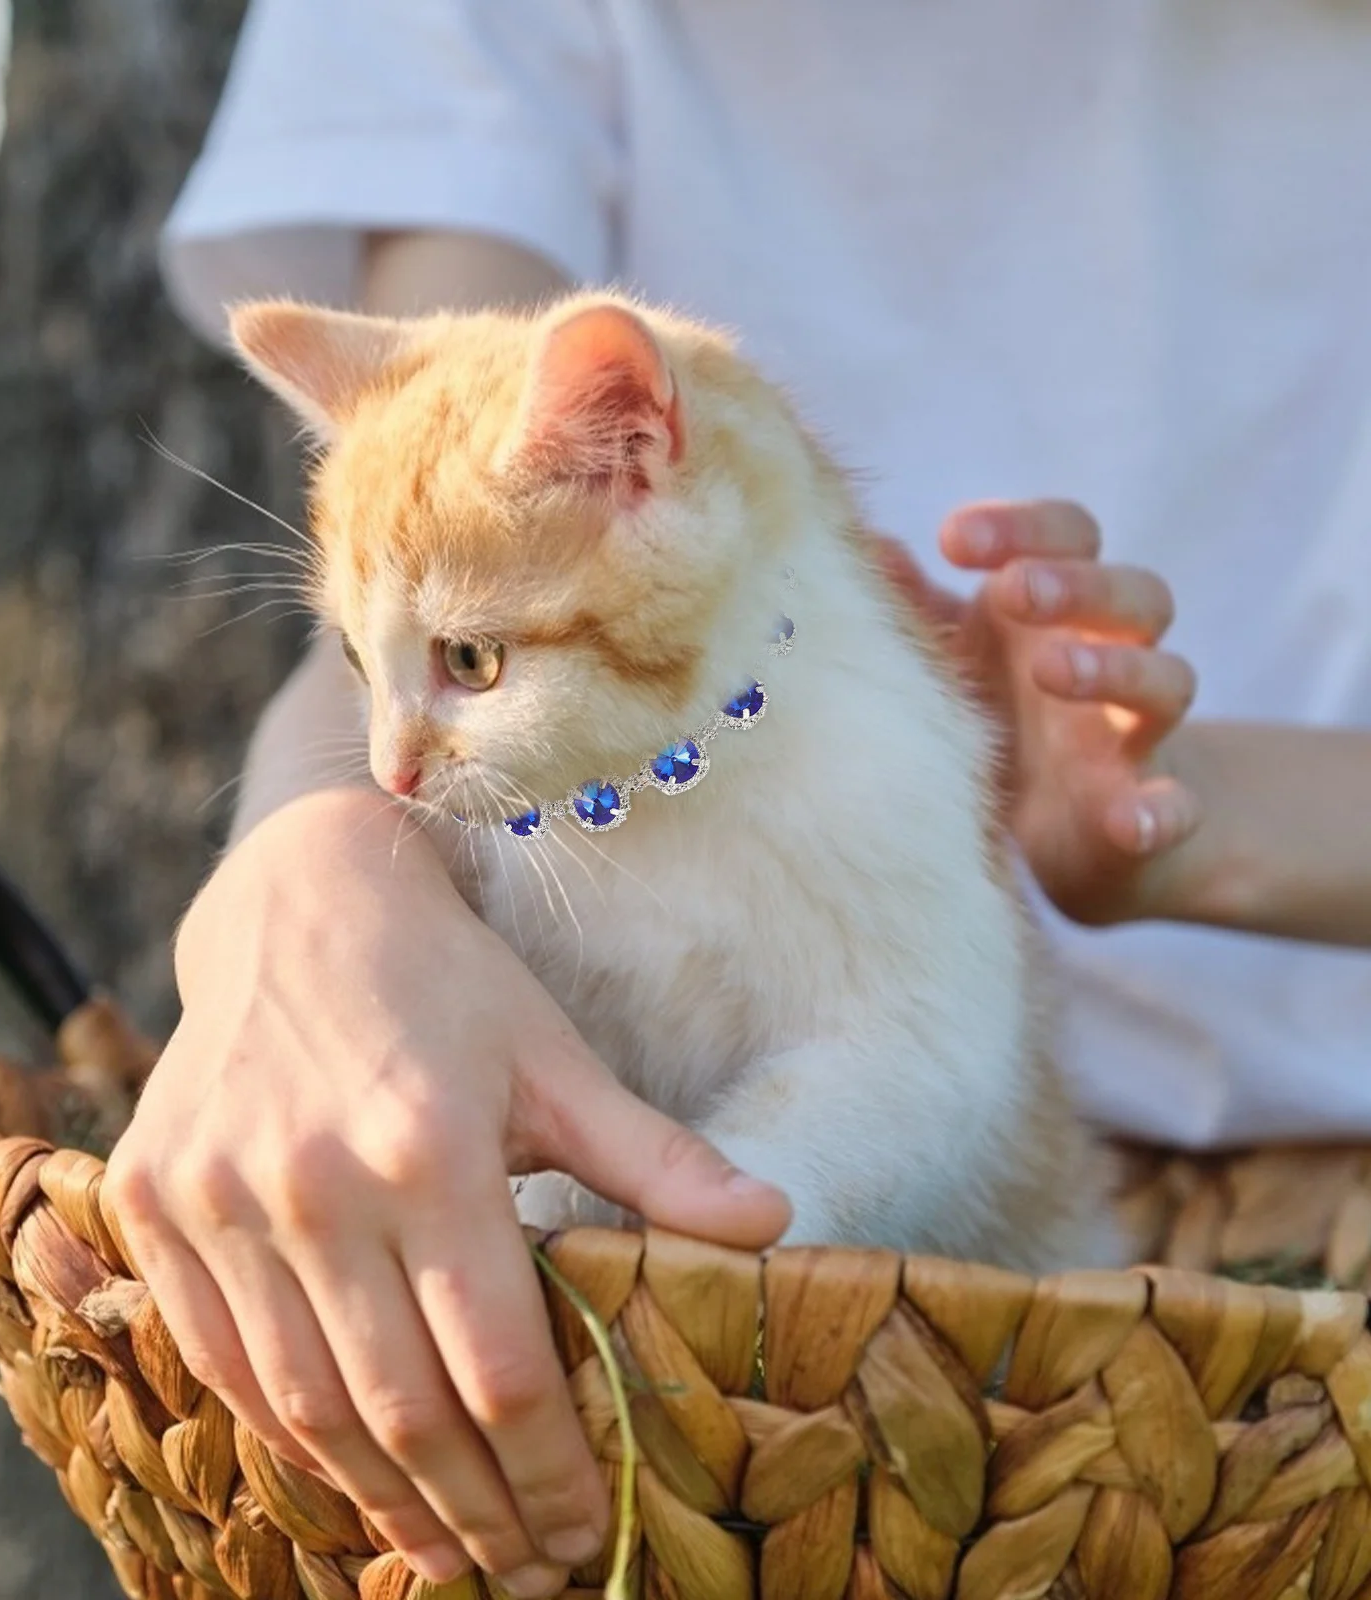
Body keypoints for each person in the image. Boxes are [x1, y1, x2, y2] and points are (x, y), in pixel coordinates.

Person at [102, 5, 1371, 1592]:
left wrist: (1183, 814)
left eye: (473, 672)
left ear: (639, 462)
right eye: (386, 676)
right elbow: (421, 535)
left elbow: (917, 1061)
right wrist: (311, 871)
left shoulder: (828, 722)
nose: (397, 763)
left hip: (1119, 1380)